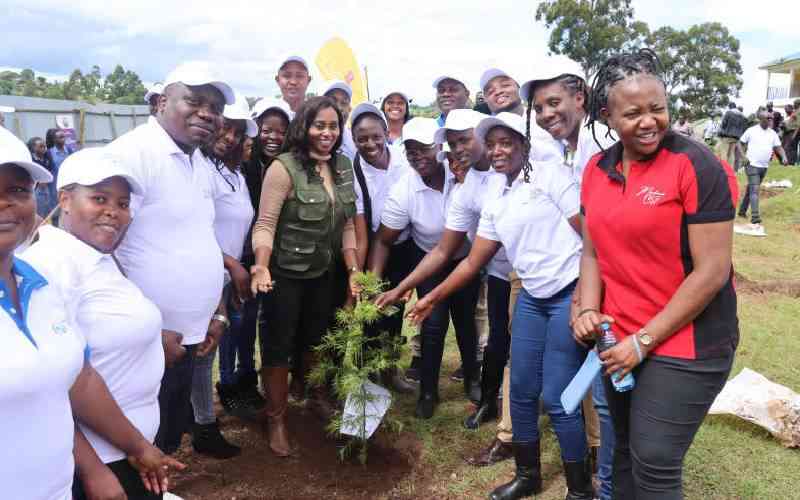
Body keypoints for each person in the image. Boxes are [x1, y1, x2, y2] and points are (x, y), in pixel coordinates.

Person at [576, 49, 739, 499]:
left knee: (654, 462)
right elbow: (591, 251)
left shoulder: (695, 164)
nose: (649, 121)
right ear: (606, 115)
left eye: (657, 108)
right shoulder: (595, 170)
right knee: (623, 453)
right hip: (620, 338)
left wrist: (643, 342)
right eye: (632, 113)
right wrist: (588, 308)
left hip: (687, 340)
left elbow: (712, 271)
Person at [406, 113, 593, 500]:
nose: (497, 151)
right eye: (491, 145)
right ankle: (528, 476)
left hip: (566, 292)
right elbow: (473, 261)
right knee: (521, 389)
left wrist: (588, 294)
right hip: (530, 297)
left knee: (558, 396)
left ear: (523, 143)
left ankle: (579, 490)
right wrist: (430, 297)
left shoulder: (550, 175)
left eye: (506, 142)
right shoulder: (495, 194)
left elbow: (590, 237)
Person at [0, 128, 181, 500]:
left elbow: (74, 374)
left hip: (89, 464)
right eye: (99, 198)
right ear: (64, 200)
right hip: (99, 458)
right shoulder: (54, 264)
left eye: (17, 190)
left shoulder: (40, 280)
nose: (113, 211)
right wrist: (95, 469)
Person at [106, 64, 235, 455]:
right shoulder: (132, 155)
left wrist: (217, 311)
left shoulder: (197, 160)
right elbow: (99, 253)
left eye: (214, 107)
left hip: (186, 337)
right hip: (145, 341)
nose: (207, 113)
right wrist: (146, 330)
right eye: (194, 101)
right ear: (162, 102)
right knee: (133, 443)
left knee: (167, 435)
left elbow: (200, 240)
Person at [375, 109, 510, 430]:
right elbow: (416, 245)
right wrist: (394, 285)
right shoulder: (407, 189)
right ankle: (428, 392)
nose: (418, 155)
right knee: (433, 325)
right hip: (433, 260)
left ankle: (474, 381)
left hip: (472, 258)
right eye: (410, 150)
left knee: (466, 322)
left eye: (424, 148)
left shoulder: (461, 176)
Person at [520, 71, 618, 500]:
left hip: (611, 282)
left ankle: (596, 487)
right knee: (599, 398)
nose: (545, 114)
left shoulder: (599, 145)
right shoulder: (572, 150)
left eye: (553, 103)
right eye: (539, 108)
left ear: (580, 97)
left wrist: (584, 293)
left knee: (607, 399)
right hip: (591, 277)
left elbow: (604, 229)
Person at [250, 96, 359, 457]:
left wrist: (353, 270)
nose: (327, 133)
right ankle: (277, 418)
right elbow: (265, 224)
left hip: (324, 274)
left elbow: (346, 224)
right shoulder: (283, 168)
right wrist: (261, 264)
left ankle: (314, 396)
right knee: (279, 346)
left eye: (333, 126)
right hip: (284, 275)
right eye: (319, 125)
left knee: (316, 338)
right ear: (304, 127)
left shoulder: (343, 166)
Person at [190, 94, 259, 458]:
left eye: (237, 132)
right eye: (225, 127)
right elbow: (193, 229)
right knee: (202, 351)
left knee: (206, 350)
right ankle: (203, 427)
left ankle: (195, 417)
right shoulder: (199, 168)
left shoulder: (235, 172)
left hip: (223, 277)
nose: (230, 137)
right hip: (203, 272)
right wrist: (230, 264)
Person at [349, 102, 415, 394]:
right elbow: (361, 224)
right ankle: (366, 377)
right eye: (362, 139)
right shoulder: (355, 172)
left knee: (396, 311)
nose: (370, 143)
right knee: (372, 316)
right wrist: (365, 273)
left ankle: (390, 372)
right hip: (376, 247)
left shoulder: (404, 160)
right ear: (354, 140)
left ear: (387, 132)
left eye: (376, 136)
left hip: (405, 244)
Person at [735, 110, 789, 237]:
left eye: (771, 118)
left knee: (750, 189)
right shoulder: (751, 130)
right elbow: (739, 143)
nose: (770, 120)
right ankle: (755, 218)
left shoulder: (773, 133)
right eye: (768, 118)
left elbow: (778, 147)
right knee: (755, 189)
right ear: (761, 119)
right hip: (752, 164)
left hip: (764, 166)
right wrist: (743, 157)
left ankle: (742, 211)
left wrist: (784, 156)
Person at [324, 81, 356, 160]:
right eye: (333, 101)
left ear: (349, 109)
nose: (339, 108)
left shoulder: (356, 141)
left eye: (344, 103)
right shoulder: (310, 136)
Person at [27, 136, 56, 217]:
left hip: (46, 188)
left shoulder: (47, 157)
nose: (44, 148)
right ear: (33, 148)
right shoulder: (30, 159)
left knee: (49, 212)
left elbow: (51, 168)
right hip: (35, 189)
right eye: (41, 146)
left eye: (44, 146)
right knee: (39, 213)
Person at [717, 102, 748, 171]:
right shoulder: (742, 116)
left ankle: (724, 169)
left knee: (724, 152)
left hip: (726, 136)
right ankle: (730, 169)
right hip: (736, 137)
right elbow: (743, 127)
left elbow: (723, 124)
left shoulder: (729, 113)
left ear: (730, 107)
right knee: (731, 154)